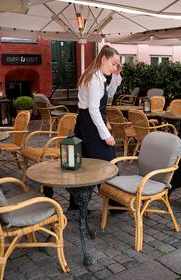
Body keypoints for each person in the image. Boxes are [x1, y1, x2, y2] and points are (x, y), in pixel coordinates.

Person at [69, 45, 122, 210]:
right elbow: (94, 110)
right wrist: (106, 135)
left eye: (117, 65)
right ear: (103, 59)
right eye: (113, 64)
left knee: (82, 163)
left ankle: (76, 203)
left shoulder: (98, 77)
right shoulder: (94, 79)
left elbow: (110, 95)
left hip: (85, 123)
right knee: (108, 162)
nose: (115, 67)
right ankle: (116, 202)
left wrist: (116, 75)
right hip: (91, 124)